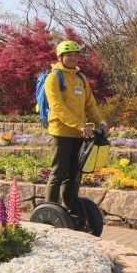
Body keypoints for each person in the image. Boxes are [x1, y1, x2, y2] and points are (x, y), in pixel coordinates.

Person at [45, 40, 109, 210]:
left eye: (76, 55)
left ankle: (69, 210)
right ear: (60, 57)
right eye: (69, 55)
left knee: (74, 174)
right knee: (58, 174)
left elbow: (90, 105)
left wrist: (101, 123)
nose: (73, 58)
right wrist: (80, 125)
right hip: (60, 133)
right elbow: (57, 107)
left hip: (79, 135)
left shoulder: (81, 78)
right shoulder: (53, 77)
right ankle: (51, 210)